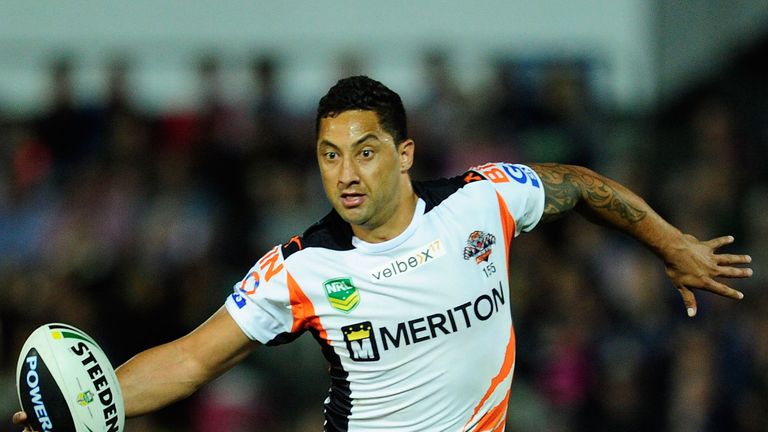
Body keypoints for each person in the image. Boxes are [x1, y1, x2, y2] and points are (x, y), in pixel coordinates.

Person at [14, 75, 753, 431]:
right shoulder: (301, 268)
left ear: (403, 154)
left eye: (364, 151)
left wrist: (671, 243)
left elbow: (581, 187)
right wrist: (92, 399)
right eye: (329, 155)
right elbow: (192, 358)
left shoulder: (481, 200)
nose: (345, 172)